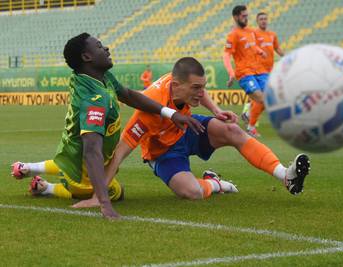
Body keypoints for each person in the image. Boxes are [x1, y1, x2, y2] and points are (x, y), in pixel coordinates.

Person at [72, 57, 310, 209]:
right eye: (195, 88)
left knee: (232, 130)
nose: (200, 92)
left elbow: (200, 92)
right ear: (176, 86)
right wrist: (100, 196)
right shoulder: (147, 111)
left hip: (186, 128)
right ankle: (215, 183)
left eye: (202, 87)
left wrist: (216, 110)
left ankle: (286, 177)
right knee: (191, 192)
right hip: (163, 153)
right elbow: (121, 152)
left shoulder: (182, 85)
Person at [11, 33, 203, 219]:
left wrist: (171, 113)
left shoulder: (99, 77)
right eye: (99, 46)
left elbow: (129, 95)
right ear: (87, 57)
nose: (107, 48)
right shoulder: (94, 98)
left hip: (71, 156)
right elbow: (92, 150)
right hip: (81, 172)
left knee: (104, 174)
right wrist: (103, 202)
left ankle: (32, 170)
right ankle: (48, 188)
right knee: (116, 192)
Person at [223, 5, 268, 138]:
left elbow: (252, 45)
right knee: (262, 98)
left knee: (270, 98)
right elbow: (226, 55)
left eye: (247, 16)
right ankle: (249, 122)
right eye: (243, 16)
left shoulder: (250, 31)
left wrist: (260, 51)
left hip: (258, 71)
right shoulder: (233, 35)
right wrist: (231, 73)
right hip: (244, 74)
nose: (246, 18)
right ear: (236, 17)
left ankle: (248, 115)